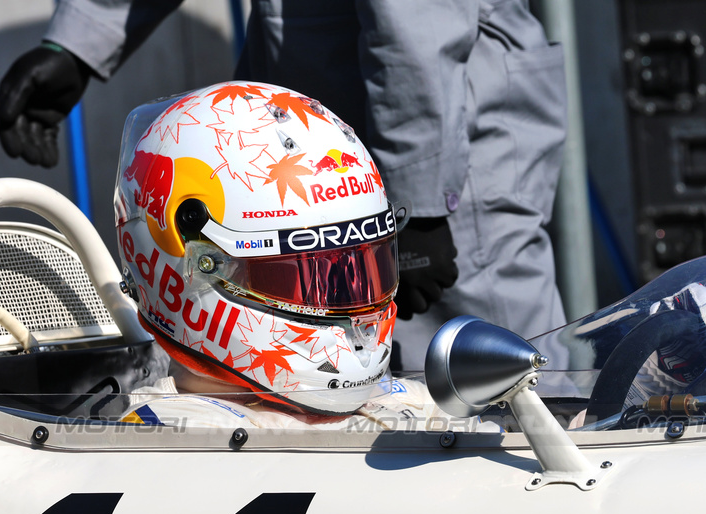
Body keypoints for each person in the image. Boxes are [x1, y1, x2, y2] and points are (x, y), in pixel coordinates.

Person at [0, 0, 568, 371]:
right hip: (307, 130)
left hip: (441, 113)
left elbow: (414, 24)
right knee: (330, 372)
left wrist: (417, 204)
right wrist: (80, 41)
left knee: (491, 373)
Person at [107, 80, 473, 432]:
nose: (355, 312)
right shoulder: (170, 435)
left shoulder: (415, 403)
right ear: (196, 264)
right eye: (296, 278)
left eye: (364, 270)